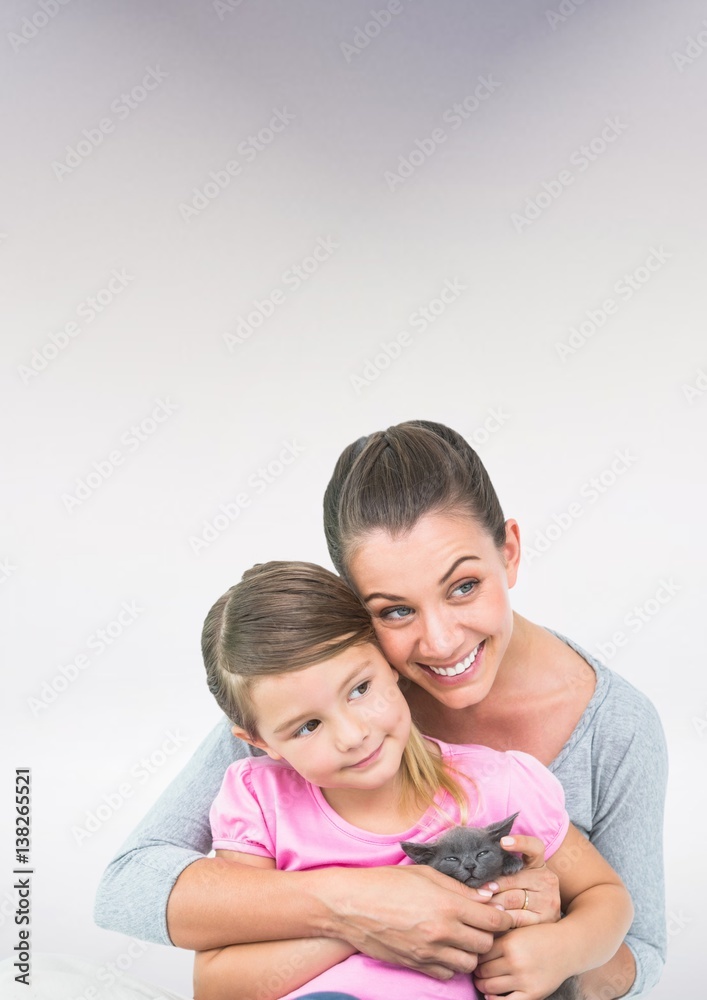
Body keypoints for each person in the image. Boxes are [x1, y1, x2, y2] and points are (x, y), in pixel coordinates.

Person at [94, 420, 667, 999]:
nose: (441, 641)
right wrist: (358, 909)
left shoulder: (606, 731)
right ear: (358, 616)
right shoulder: (317, 700)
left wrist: (550, 943)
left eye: (464, 586)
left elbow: (636, 949)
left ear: (510, 552)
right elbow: (129, 887)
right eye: (395, 611)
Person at [193, 560, 632, 1000]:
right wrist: (363, 923)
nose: (353, 735)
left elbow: (605, 895)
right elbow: (215, 986)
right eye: (307, 726)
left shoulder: (495, 785)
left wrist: (562, 949)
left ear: (390, 664)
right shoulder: (260, 801)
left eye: (359, 689)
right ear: (258, 740)